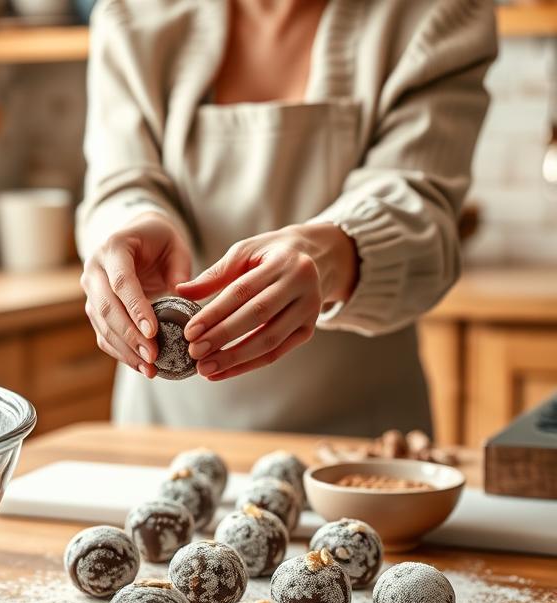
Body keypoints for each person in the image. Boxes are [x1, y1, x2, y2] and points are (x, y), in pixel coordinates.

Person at [76, 0, 497, 436]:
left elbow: (423, 216)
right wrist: (128, 226)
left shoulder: (435, 15)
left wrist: (330, 255)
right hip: (163, 433)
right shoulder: (132, 15)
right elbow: (118, 181)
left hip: (358, 450)